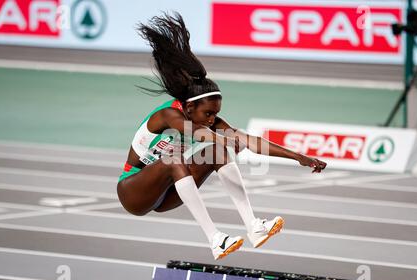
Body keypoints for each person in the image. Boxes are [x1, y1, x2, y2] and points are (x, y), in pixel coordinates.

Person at [117, 12, 327, 260]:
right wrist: (225, 139)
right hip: (133, 191)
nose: (211, 119)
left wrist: (298, 157)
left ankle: (254, 227)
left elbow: (250, 141)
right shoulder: (167, 116)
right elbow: (197, 133)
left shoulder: (208, 121)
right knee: (175, 158)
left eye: (215, 114)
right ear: (189, 107)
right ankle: (215, 239)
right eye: (207, 113)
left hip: (166, 195)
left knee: (216, 153)